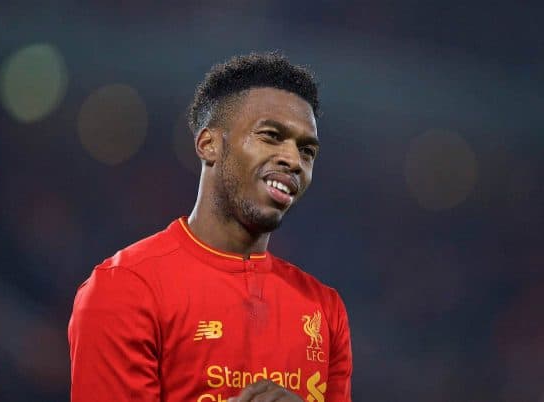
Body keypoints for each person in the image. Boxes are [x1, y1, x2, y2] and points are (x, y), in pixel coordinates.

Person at [68, 52, 352, 402]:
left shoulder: (325, 309)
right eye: (270, 136)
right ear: (209, 145)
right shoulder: (124, 289)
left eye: (307, 151)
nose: (293, 160)